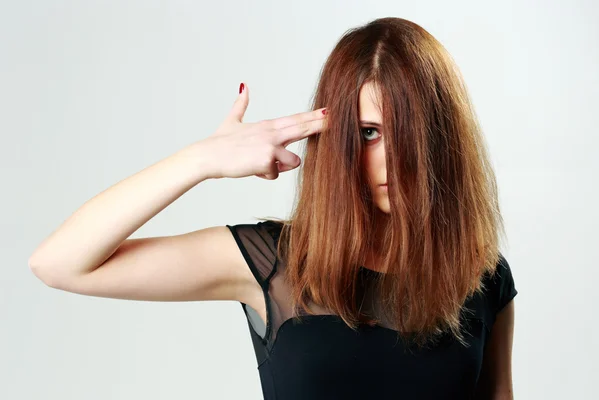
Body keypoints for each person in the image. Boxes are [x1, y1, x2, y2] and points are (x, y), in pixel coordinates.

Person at [29, 17, 517, 400]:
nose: (392, 159)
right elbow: (59, 263)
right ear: (338, 137)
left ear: (443, 139)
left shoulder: (483, 275)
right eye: (369, 133)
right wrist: (203, 161)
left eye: (409, 132)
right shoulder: (274, 264)